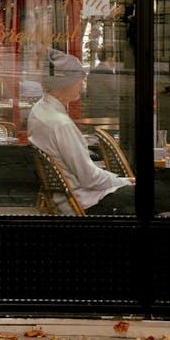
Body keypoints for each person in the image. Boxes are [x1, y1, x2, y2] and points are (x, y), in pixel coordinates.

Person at [28, 48, 136, 215]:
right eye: (80, 80)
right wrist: (125, 181)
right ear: (66, 83)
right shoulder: (61, 124)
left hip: (67, 199)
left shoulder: (38, 110)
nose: (82, 85)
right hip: (89, 202)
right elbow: (90, 178)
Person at [86, 47, 118, 118]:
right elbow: (114, 90)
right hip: (107, 110)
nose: (115, 60)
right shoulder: (108, 72)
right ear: (109, 58)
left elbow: (88, 93)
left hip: (94, 108)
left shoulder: (92, 72)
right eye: (114, 57)